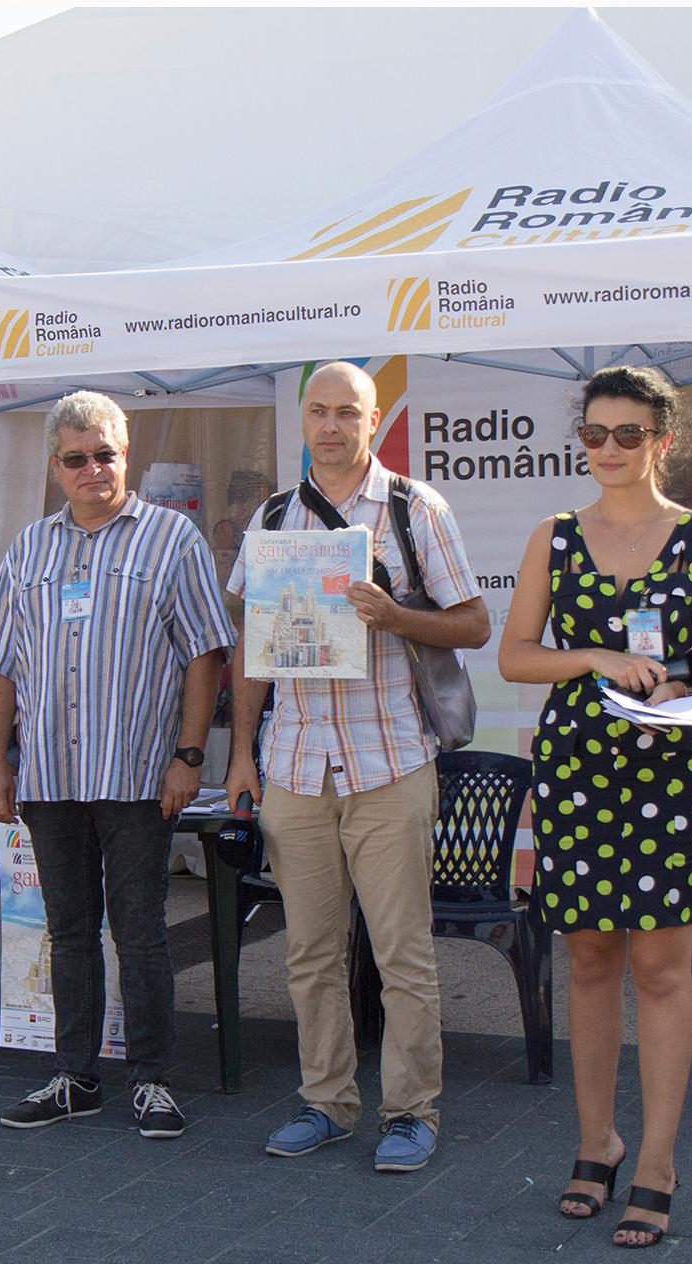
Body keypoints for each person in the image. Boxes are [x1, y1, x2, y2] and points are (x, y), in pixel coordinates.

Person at [497, 365, 692, 1247]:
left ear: (662, 441)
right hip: (577, 768)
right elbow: (516, 656)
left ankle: (657, 1160)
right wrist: (597, 659)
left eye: (627, 434)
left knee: (662, 968)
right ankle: (595, 1140)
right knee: (588, 960)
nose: (607, 449)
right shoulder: (554, 536)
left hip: (673, 769)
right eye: (594, 433)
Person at [223, 362, 489, 1173]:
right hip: (296, 765)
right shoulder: (273, 516)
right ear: (303, 420)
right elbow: (253, 643)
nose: (331, 426)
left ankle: (411, 1113)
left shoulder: (415, 507)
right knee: (309, 954)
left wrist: (394, 614)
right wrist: (241, 755)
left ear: (374, 421)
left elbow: (475, 624)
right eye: (319, 411)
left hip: (389, 761)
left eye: (348, 412)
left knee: (402, 955)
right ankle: (327, 1102)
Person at [0, 391, 235, 1141]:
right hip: (50, 777)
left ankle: (152, 1080)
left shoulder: (172, 539)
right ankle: (75, 1076)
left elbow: (204, 654)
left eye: (105, 455)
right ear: (55, 466)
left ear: (127, 455)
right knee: (68, 933)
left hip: (135, 775)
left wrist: (189, 757)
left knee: (141, 932)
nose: (92, 469)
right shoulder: (29, 548)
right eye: (76, 458)